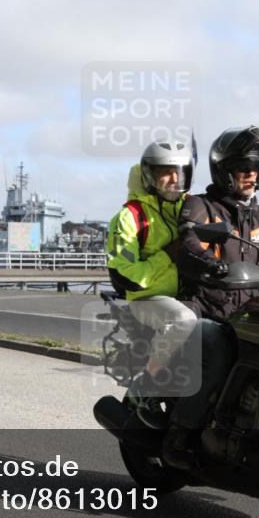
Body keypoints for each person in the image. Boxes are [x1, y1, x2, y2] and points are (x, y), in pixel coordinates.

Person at [163, 125, 259, 468]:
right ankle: (180, 436)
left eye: (256, 169)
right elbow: (190, 244)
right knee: (219, 352)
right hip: (208, 310)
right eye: (244, 169)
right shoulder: (201, 207)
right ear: (224, 171)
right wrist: (212, 266)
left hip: (250, 314)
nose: (251, 175)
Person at [106, 141, 199, 419]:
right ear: (150, 175)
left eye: (180, 172)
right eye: (166, 172)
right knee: (183, 321)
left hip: (187, 293)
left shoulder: (190, 208)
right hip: (147, 298)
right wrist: (168, 255)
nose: (174, 179)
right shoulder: (129, 217)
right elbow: (123, 276)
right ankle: (143, 387)